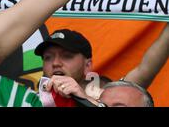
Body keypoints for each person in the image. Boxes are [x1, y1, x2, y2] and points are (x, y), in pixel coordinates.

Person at [39, 24, 168, 106]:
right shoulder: (30, 100)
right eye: (48, 57)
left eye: (66, 56)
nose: (55, 63)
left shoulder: (111, 96)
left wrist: (85, 100)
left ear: (87, 65)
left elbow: (145, 70)